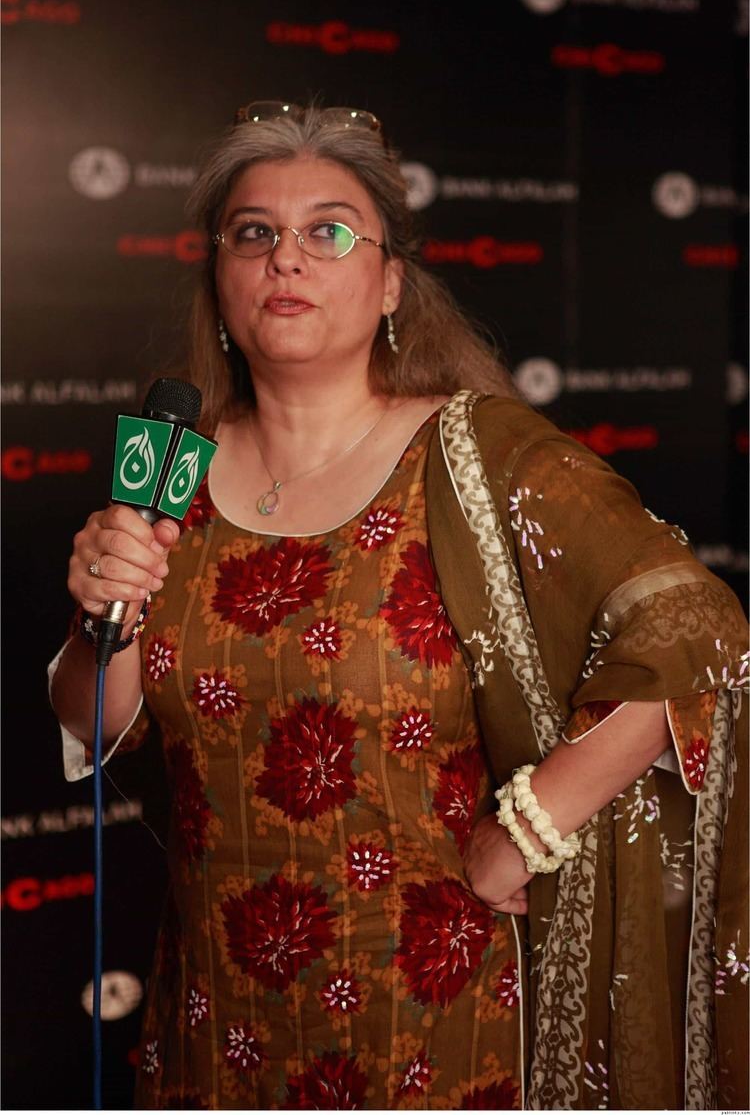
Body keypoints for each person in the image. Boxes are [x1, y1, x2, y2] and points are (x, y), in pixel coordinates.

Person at [49, 101, 748, 1111]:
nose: (285, 258)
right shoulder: (171, 477)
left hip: (435, 1028)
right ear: (220, 279)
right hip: (215, 1027)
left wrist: (530, 825)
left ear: (388, 285)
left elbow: (695, 633)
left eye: (327, 231)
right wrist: (96, 611)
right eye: (255, 234)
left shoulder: (478, 459)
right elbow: (95, 723)